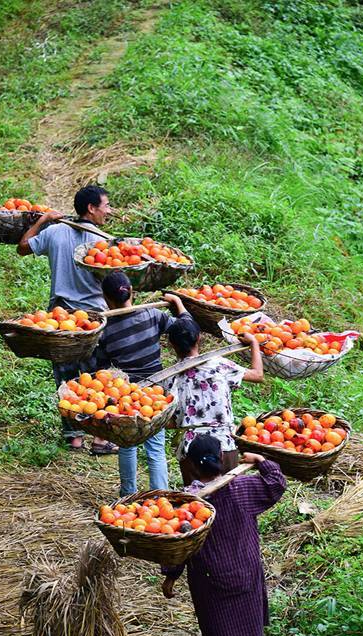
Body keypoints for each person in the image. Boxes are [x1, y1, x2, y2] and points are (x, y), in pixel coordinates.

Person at [162, 434, 286, 636]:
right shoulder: (242, 488)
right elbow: (276, 482)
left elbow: (176, 545)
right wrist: (260, 460)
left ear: (190, 464)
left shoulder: (186, 505)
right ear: (221, 457)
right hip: (245, 574)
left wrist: (171, 575)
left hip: (209, 582)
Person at [17, 184, 115, 453]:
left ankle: (73, 437)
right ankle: (100, 438)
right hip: (95, 317)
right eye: (106, 206)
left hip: (60, 319)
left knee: (66, 378)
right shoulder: (102, 240)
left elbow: (23, 247)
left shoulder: (55, 232)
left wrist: (43, 221)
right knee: (98, 376)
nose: (109, 211)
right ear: (91, 208)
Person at [96, 271, 194, 495]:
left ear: (105, 298)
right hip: (155, 393)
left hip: (126, 394)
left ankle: (127, 495)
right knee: (156, 447)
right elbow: (184, 329)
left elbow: (101, 365)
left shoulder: (106, 329)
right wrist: (178, 304)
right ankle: (160, 495)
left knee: (126, 444)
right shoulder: (151, 315)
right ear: (131, 291)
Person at [166, 318, 264, 485]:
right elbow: (257, 375)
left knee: (199, 505)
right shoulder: (219, 365)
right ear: (199, 338)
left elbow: (170, 421)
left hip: (192, 450)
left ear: (171, 345)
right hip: (223, 445)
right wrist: (254, 342)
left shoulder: (170, 378)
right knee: (229, 497)